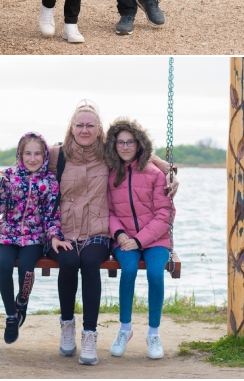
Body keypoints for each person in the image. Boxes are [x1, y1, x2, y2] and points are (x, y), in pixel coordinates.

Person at [50, 101, 178, 364]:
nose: (85, 129)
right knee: (70, 261)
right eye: (79, 125)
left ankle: (92, 334)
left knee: (90, 262)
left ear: (99, 130)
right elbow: (28, 162)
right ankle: (70, 326)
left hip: (100, 232)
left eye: (90, 125)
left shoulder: (108, 154)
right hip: (71, 230)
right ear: (71, 128)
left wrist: (170, 171)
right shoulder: (57, 155)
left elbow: (138, 152)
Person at [0, 132, 72, 344]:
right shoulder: (8, 176)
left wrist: (55, 236)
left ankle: (22, 302)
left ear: (45, 155)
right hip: (7, 235)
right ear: (20, 155)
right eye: (27, 153)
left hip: (34, 237)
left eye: (37, 154)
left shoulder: (49, 182)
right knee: (4, 267)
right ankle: (11, 316)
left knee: (26, 269)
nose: (32, 158)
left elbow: (51, 215)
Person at [104, 119, 173, 360]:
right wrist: (121, 234)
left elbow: (165, 214)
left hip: (156, 239)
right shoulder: (111, 174)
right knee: (129, 270)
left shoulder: (155, 173)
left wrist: (140, 240)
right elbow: (109, 211)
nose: (124, 147)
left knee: (155, 273)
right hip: (123, 239)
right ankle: (125, 329)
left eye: (129, 142)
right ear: (114, 145)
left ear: (139, 144)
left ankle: (153, 333)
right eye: (120, 142)